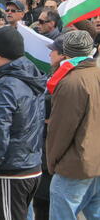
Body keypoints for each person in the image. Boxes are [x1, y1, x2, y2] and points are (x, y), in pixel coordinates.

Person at [0, 27, 46, 220]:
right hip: (30, 165)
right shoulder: (32, 75)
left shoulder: (5, 85)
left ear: (0, 54)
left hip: (11, 171)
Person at [46, 30, 100, 220]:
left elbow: (61, 130)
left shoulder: (71, 82)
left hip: (76, 163)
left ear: (66, 53)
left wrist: (52, 161)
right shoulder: (94, 74)